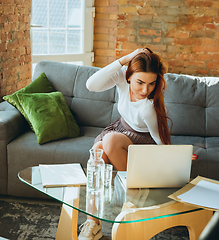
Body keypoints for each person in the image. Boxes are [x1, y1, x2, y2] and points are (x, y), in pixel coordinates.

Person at [78, 48, 198, 240]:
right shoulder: (121, 77)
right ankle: (93, 222)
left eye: (151, 84)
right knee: (97, 154)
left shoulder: (147, 107)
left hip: (143, 142)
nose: (145, 90)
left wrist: (174, 156)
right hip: (120, 130)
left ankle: (134, 208)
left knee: (110, 141)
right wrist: (124, 59)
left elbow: (158, 138)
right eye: (140, 82)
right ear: (128, 77)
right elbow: (91, 85)